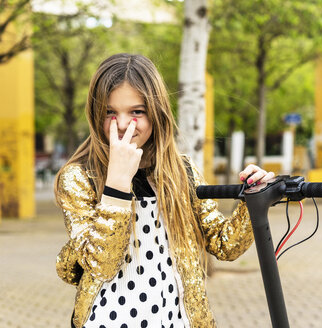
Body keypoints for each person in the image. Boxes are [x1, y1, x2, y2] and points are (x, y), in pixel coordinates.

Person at [54, 53, 274, 328]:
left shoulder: (181, 171)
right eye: (110, 112)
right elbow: (101, 264)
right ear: (96, 113)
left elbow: (225, 244)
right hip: (108, 319)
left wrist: (253, 200)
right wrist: (117, 184)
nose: (123, 124)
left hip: (174, 319)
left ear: (156, 113)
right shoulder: (80, 176)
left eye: (137, 112)